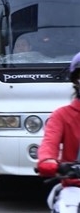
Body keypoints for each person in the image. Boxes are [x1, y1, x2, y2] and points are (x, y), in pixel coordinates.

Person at [37, 52, 80, 181]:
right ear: (76, 81)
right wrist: (48, 161)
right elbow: (49, 144)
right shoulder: (61, 115)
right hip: (74, 189)